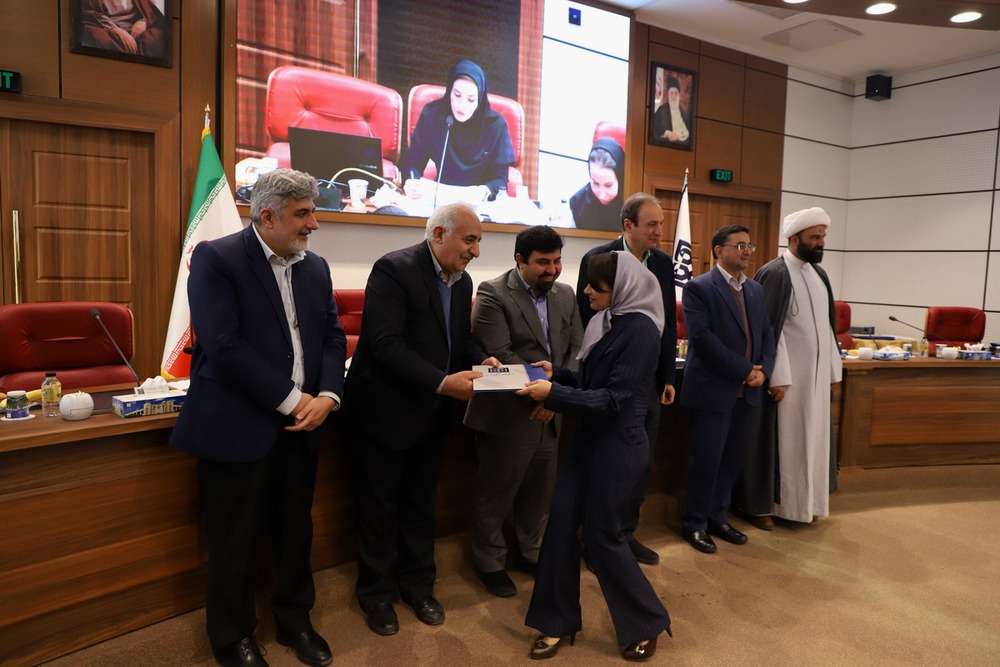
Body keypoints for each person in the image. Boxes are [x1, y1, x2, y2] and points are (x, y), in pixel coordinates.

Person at [171, 168, 346, 667]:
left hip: (304, 428)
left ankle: (295, 621)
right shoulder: (217, 258)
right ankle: (232, 638)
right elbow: (223, 345)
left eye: (313, 211)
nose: (313, 224)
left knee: (295, 534)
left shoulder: (315, 268)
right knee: (234, 540)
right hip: (237, 426)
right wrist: (295, 400)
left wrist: (328, 395)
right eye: (303, 214)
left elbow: (332, 337)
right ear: (267, 216)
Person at [345, 203, 497, 636]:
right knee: (378, 509)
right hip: (384, 412)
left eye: (479, 241)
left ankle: (418, 588)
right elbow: (385, 344)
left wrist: (480, 359)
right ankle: (375, 596)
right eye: (470, 240)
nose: (476, 251)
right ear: (438, 235)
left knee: (420, 506)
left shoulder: (462, 281)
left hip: (430, 414)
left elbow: (454, 342)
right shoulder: (394, 270)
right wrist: (443, 383)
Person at [519, 251, 671, 662]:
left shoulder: (641, 330)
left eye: (595, 286)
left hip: (618, 445)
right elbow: (592, 382)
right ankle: (556, 621)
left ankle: (647, 622)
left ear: (621, 288)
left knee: (603, 536)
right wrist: (557, 374)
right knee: (559, 528)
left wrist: (553, 394)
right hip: (588, 441)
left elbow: (615, 400)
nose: (585, 291)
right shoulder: (607, 320)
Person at [464, 226, 584, 598]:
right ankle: (490, 563)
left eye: (557, 261)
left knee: (539, 492)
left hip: (551, 411)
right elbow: (501, 354)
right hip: (509, 413)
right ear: (520, 259)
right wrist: (545, 395)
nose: (553, 270)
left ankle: (531, 553)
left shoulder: (565, 294)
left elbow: (577, 349)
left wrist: (555, 395)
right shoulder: (493, 292)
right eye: (543, 263)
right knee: (495, 495)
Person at [575, 193, 677, 566]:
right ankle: (596, 539)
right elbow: (586, 319)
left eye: (661, 224)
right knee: (605, 464)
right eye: (651, 224)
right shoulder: (599, 258)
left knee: (640, 462)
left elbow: (666, 322)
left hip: (648, 381)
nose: (659, 232)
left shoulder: (662, 263)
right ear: (627, 225)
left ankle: (625, 534)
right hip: (611, 379)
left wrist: (667, 375)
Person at [734, 207, 843, 528]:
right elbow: (767, 331)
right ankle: (767, 507)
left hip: (815, 381)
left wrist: (831, 372)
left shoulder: (819, 275)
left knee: (812, 442)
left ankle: (806, 504)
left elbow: (827, 328)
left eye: (823, 236)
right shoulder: (775, 273)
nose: (821, 242)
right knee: (784, 443)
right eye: (815, 237)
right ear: (795, 239)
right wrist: (776, 376)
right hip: (786, 383)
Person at [679, 224, 776, 554]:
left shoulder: (756, 290)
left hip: (748, 392)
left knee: (732, 460)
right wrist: (745, 370)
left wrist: (764, 371)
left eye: (750, 246)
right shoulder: (698, 287)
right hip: (713, 390)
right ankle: (694, 523)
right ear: (719, 250)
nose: (747, 251)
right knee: (707, 461)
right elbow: (702, 340)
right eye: (740, 245)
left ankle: (717, 517)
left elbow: (767, 336)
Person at [399, 60, 516, 203]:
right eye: (457, 95)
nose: (461, 106)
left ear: (480, 99)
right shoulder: (433, 115)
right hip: (440, 200)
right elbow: (412, 163)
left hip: (479, 203)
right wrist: (411, 182)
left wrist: (484, 191)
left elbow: (500, 180)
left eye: (471, 100)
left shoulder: (496, 125)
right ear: (449, 90)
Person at [569, 138, 625, 232]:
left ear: (621, 177)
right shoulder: (578, 203)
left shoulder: (635, 204)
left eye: (608, 185)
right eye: (595, 183)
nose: (602, 195)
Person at [80, 0, 167, 58]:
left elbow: (149, 10)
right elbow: (89, 12)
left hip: (135, 27)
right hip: (106, 27)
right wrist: (115, 29)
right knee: (96, 36)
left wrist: (143, 21)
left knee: (155, 37)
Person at [651, 75, 690, 145]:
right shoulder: (661, 111)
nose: (674, 96)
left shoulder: (684, 114)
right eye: (671, 93)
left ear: (679, 95)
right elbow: (654, 128)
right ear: (668, 94)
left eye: (676, 93)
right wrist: (667, 133)